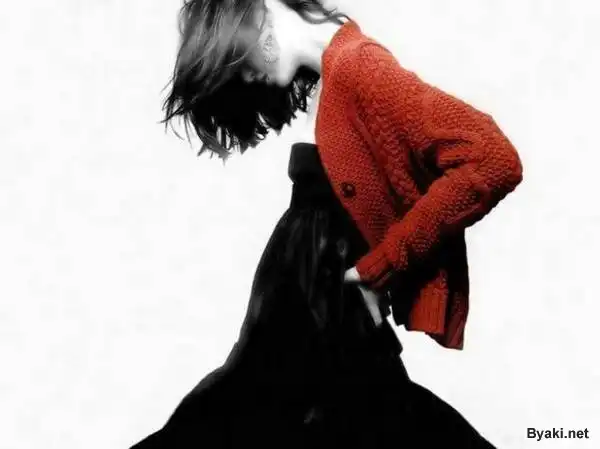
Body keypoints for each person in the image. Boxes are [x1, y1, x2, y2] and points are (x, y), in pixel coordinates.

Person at [130, 0, 523, 447]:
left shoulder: (360, 66)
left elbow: (493, 159)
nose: (246, 78)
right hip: (302, 298)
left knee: (348, 418)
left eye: (236, 60)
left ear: (260, 12)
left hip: (323, 303)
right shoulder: (333, 72)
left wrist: (385, 264)